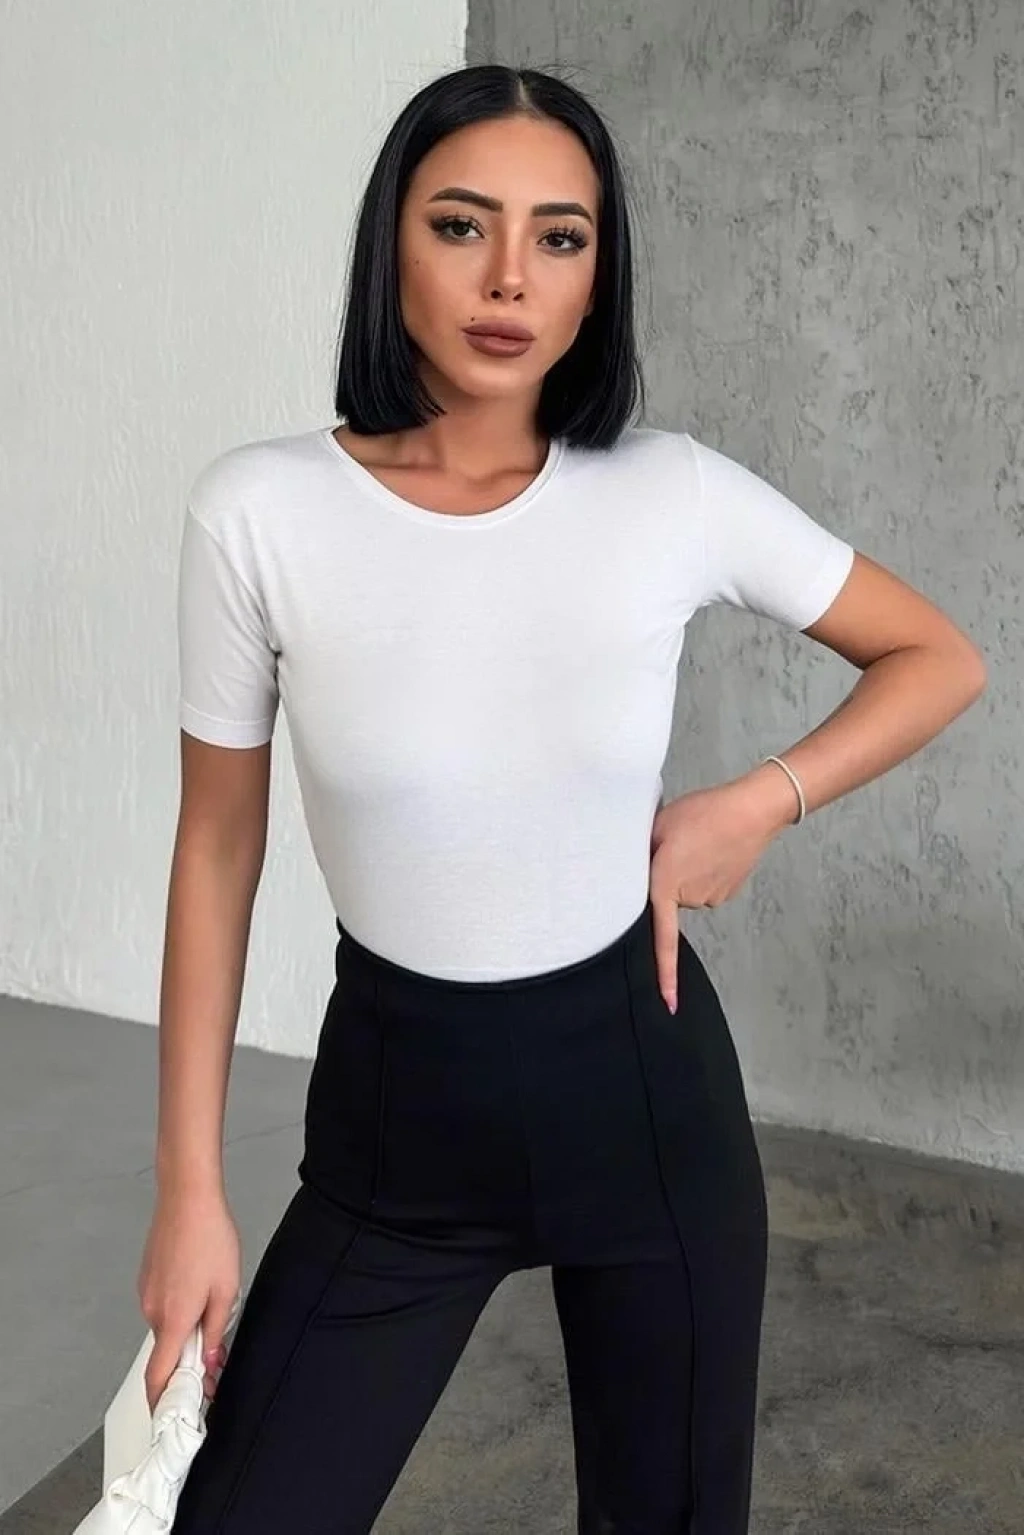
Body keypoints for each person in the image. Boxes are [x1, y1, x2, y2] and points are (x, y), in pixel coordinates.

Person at [138, 61, 987, 1535]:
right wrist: (189, 1190)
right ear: (392, 244)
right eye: (462, 225)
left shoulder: (671, 493)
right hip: (396, 1131)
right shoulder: (260, 513)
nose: (511, 279)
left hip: (647, 1110)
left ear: (600, 275)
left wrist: (760, 800)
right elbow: (217, 848)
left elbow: (939, 657)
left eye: (561, 236)